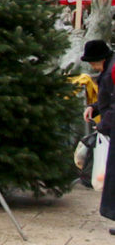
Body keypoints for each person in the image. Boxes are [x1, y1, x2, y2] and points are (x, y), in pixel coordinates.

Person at [81, 39, 115, 231]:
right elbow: (108, 97)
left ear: (101, 58)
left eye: (93, 62)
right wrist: (94, 109)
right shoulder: (108, 69)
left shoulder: (113, 70)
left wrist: (103, 124)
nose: (92, 66)